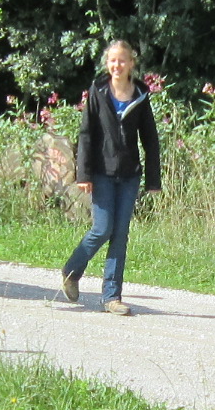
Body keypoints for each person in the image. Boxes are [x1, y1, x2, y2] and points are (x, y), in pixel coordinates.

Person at [57, 39, 163, 318]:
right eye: (112, 60)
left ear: (131, 63)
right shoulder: (98, 90)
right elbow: (86, 134)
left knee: (120, 234)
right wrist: (84, 173)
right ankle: (72, 269)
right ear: (108, 63)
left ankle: (112, 297)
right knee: (102, 229)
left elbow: (150, 138)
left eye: (122, 60)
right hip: (102, 173)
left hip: (129, 175)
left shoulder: (141, 94)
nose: (117, 65)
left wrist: (153, 178)